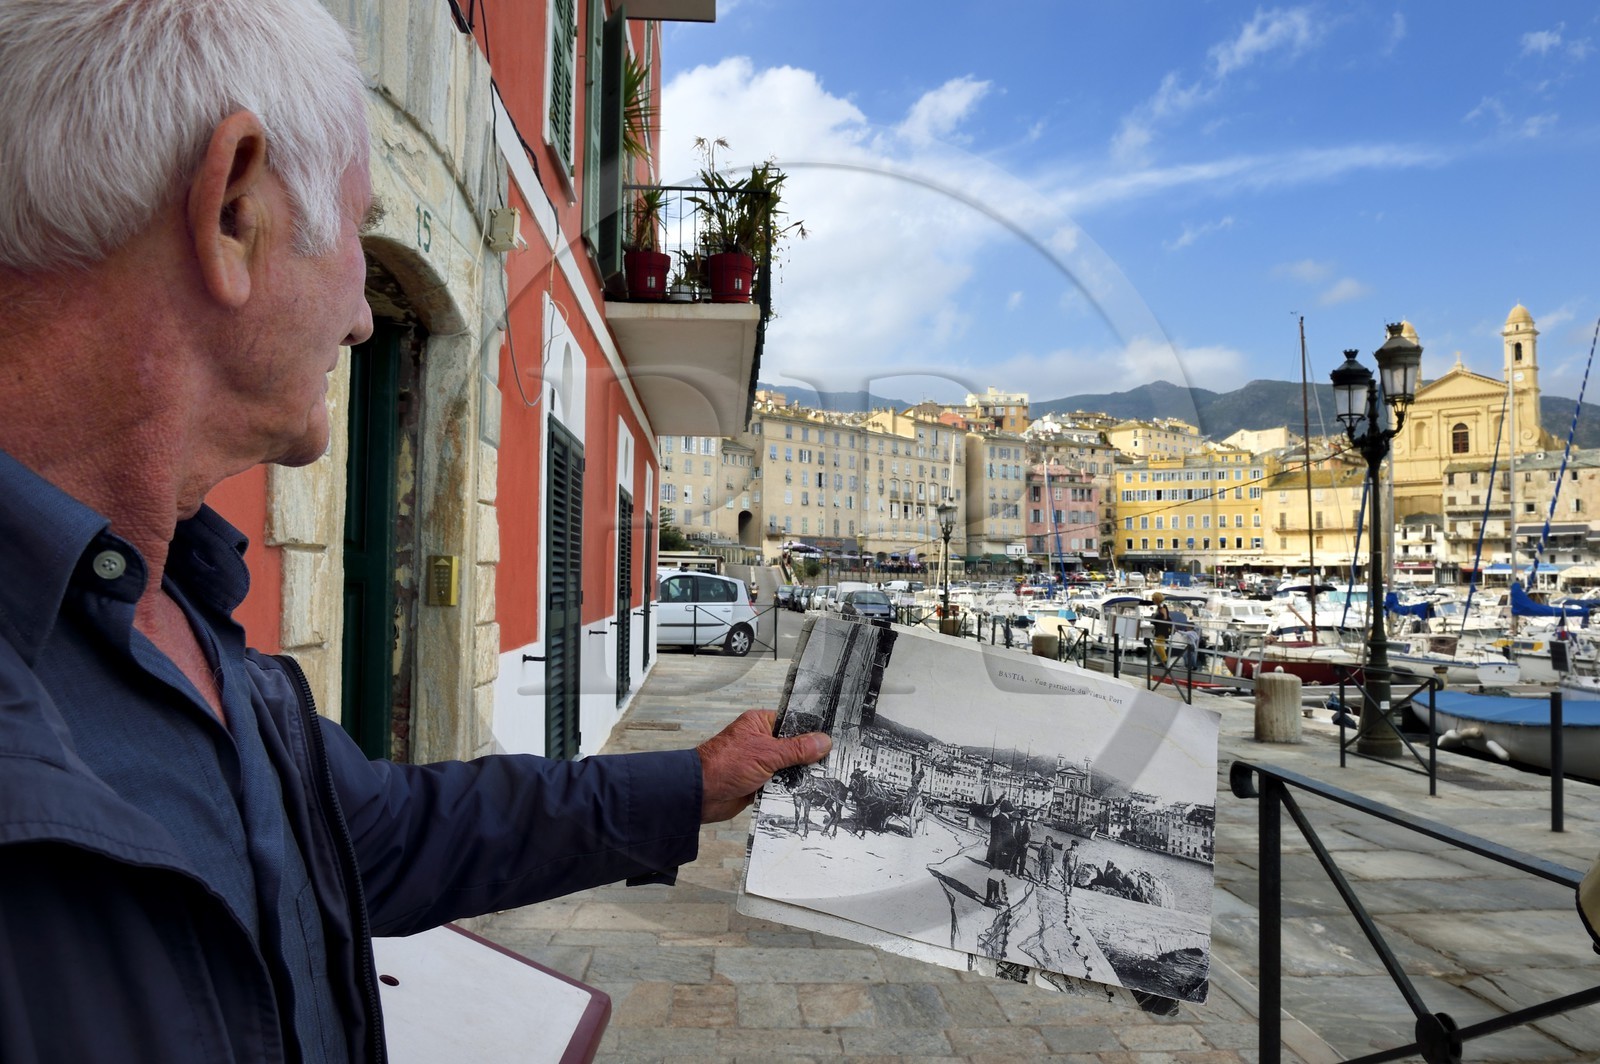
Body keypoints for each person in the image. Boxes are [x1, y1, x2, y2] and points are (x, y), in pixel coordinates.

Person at [0, 3, 830, 1061]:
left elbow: (388, 832)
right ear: (234, 212)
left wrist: (692, 783)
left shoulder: (204, 632)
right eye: (357, 226)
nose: (359, 313)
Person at [1150, 591, 1173, 663]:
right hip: (1162, 628)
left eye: (1153, 599)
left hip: (1163, 628)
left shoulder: (1162, 606)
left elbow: (1165, 617)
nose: (1152, 600)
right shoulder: (1160, 606)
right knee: (1160, 644)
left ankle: (1164, 660)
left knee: (1158, 645)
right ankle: (1163, 660)